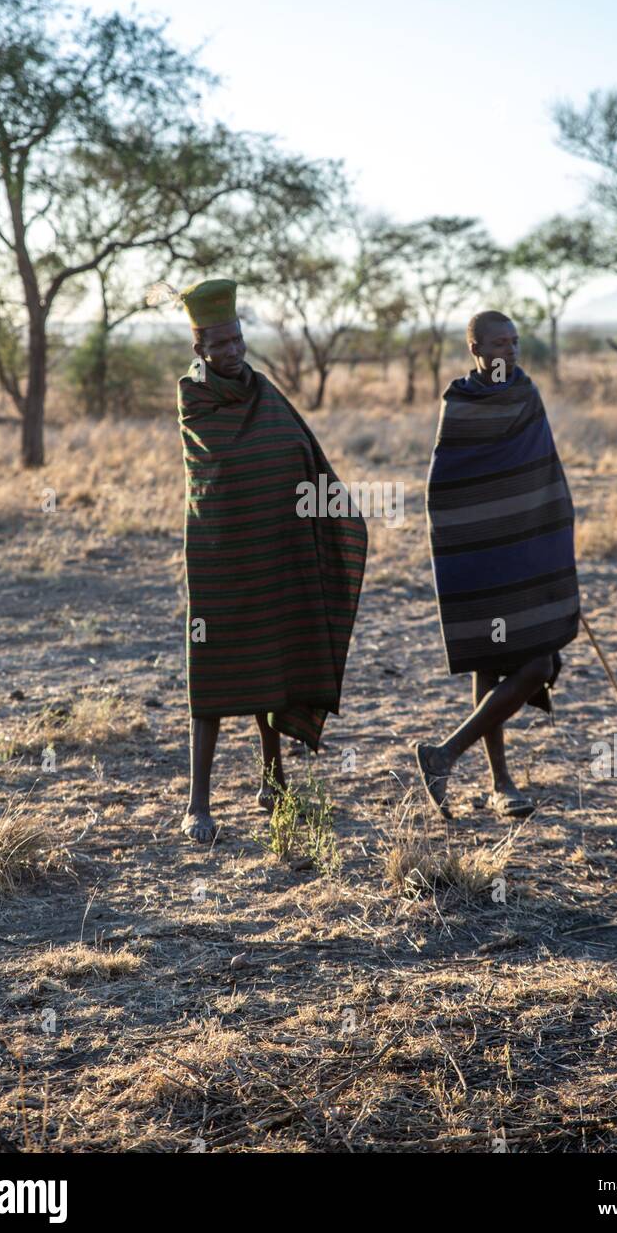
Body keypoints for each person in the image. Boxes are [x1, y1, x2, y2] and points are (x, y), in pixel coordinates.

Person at [169, 278, 367, 843]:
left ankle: (273, 779)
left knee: (271, 661)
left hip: (273, 543)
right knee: (210, 672)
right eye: (219, 344)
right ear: (199, 346)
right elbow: (220, 463)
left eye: (237, 340)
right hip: (219, 549)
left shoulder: (263, 389)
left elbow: (296, 447)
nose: (232, 352)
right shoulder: (194, 396)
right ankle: (197, 804)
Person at [415, 310, 580, 820]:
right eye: (498, 343)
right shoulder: (460, 404)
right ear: (476, 350)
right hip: (482, 554)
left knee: (535, 660)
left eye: (514, 341)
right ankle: (488, 776)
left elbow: (540, 471)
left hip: (527, 551)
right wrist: (481, 533)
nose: (509, 351)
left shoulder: (526, 394)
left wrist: (549, 542)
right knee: (509, 660)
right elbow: (447, 487)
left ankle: (475, 771)